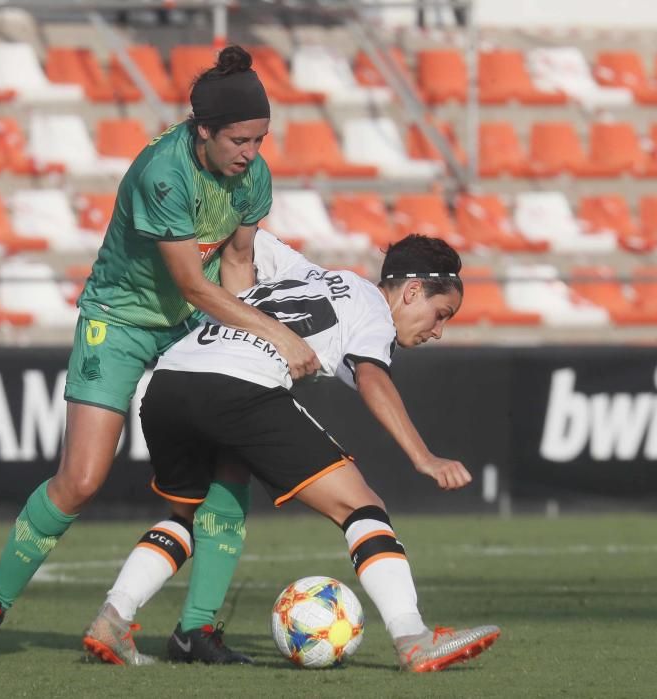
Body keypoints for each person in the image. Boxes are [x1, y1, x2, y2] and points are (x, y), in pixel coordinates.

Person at [0, 46, 320, 663]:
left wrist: (246, 346)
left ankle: (196, 629)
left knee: (230, 467)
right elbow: (192, 283)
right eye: (239, 140)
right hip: (118, 323)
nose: (251, 153)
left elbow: (234, 266)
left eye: (260, 139)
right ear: (203, 130)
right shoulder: (163, 172)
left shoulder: (253, 173)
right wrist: (277, 335)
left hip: (190, 326)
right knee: (82, 479)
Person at [82, 230, 501, 672]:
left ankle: (113, 617)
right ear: (412, 291)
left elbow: (241, 235)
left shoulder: (304, 271)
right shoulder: (375, 312)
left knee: (186, 513)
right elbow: (373, 378)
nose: (438, 331)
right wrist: (423, 456)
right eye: (441, 314)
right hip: (238, 386)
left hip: (168, 381)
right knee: (363, 507)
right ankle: (412, 638)